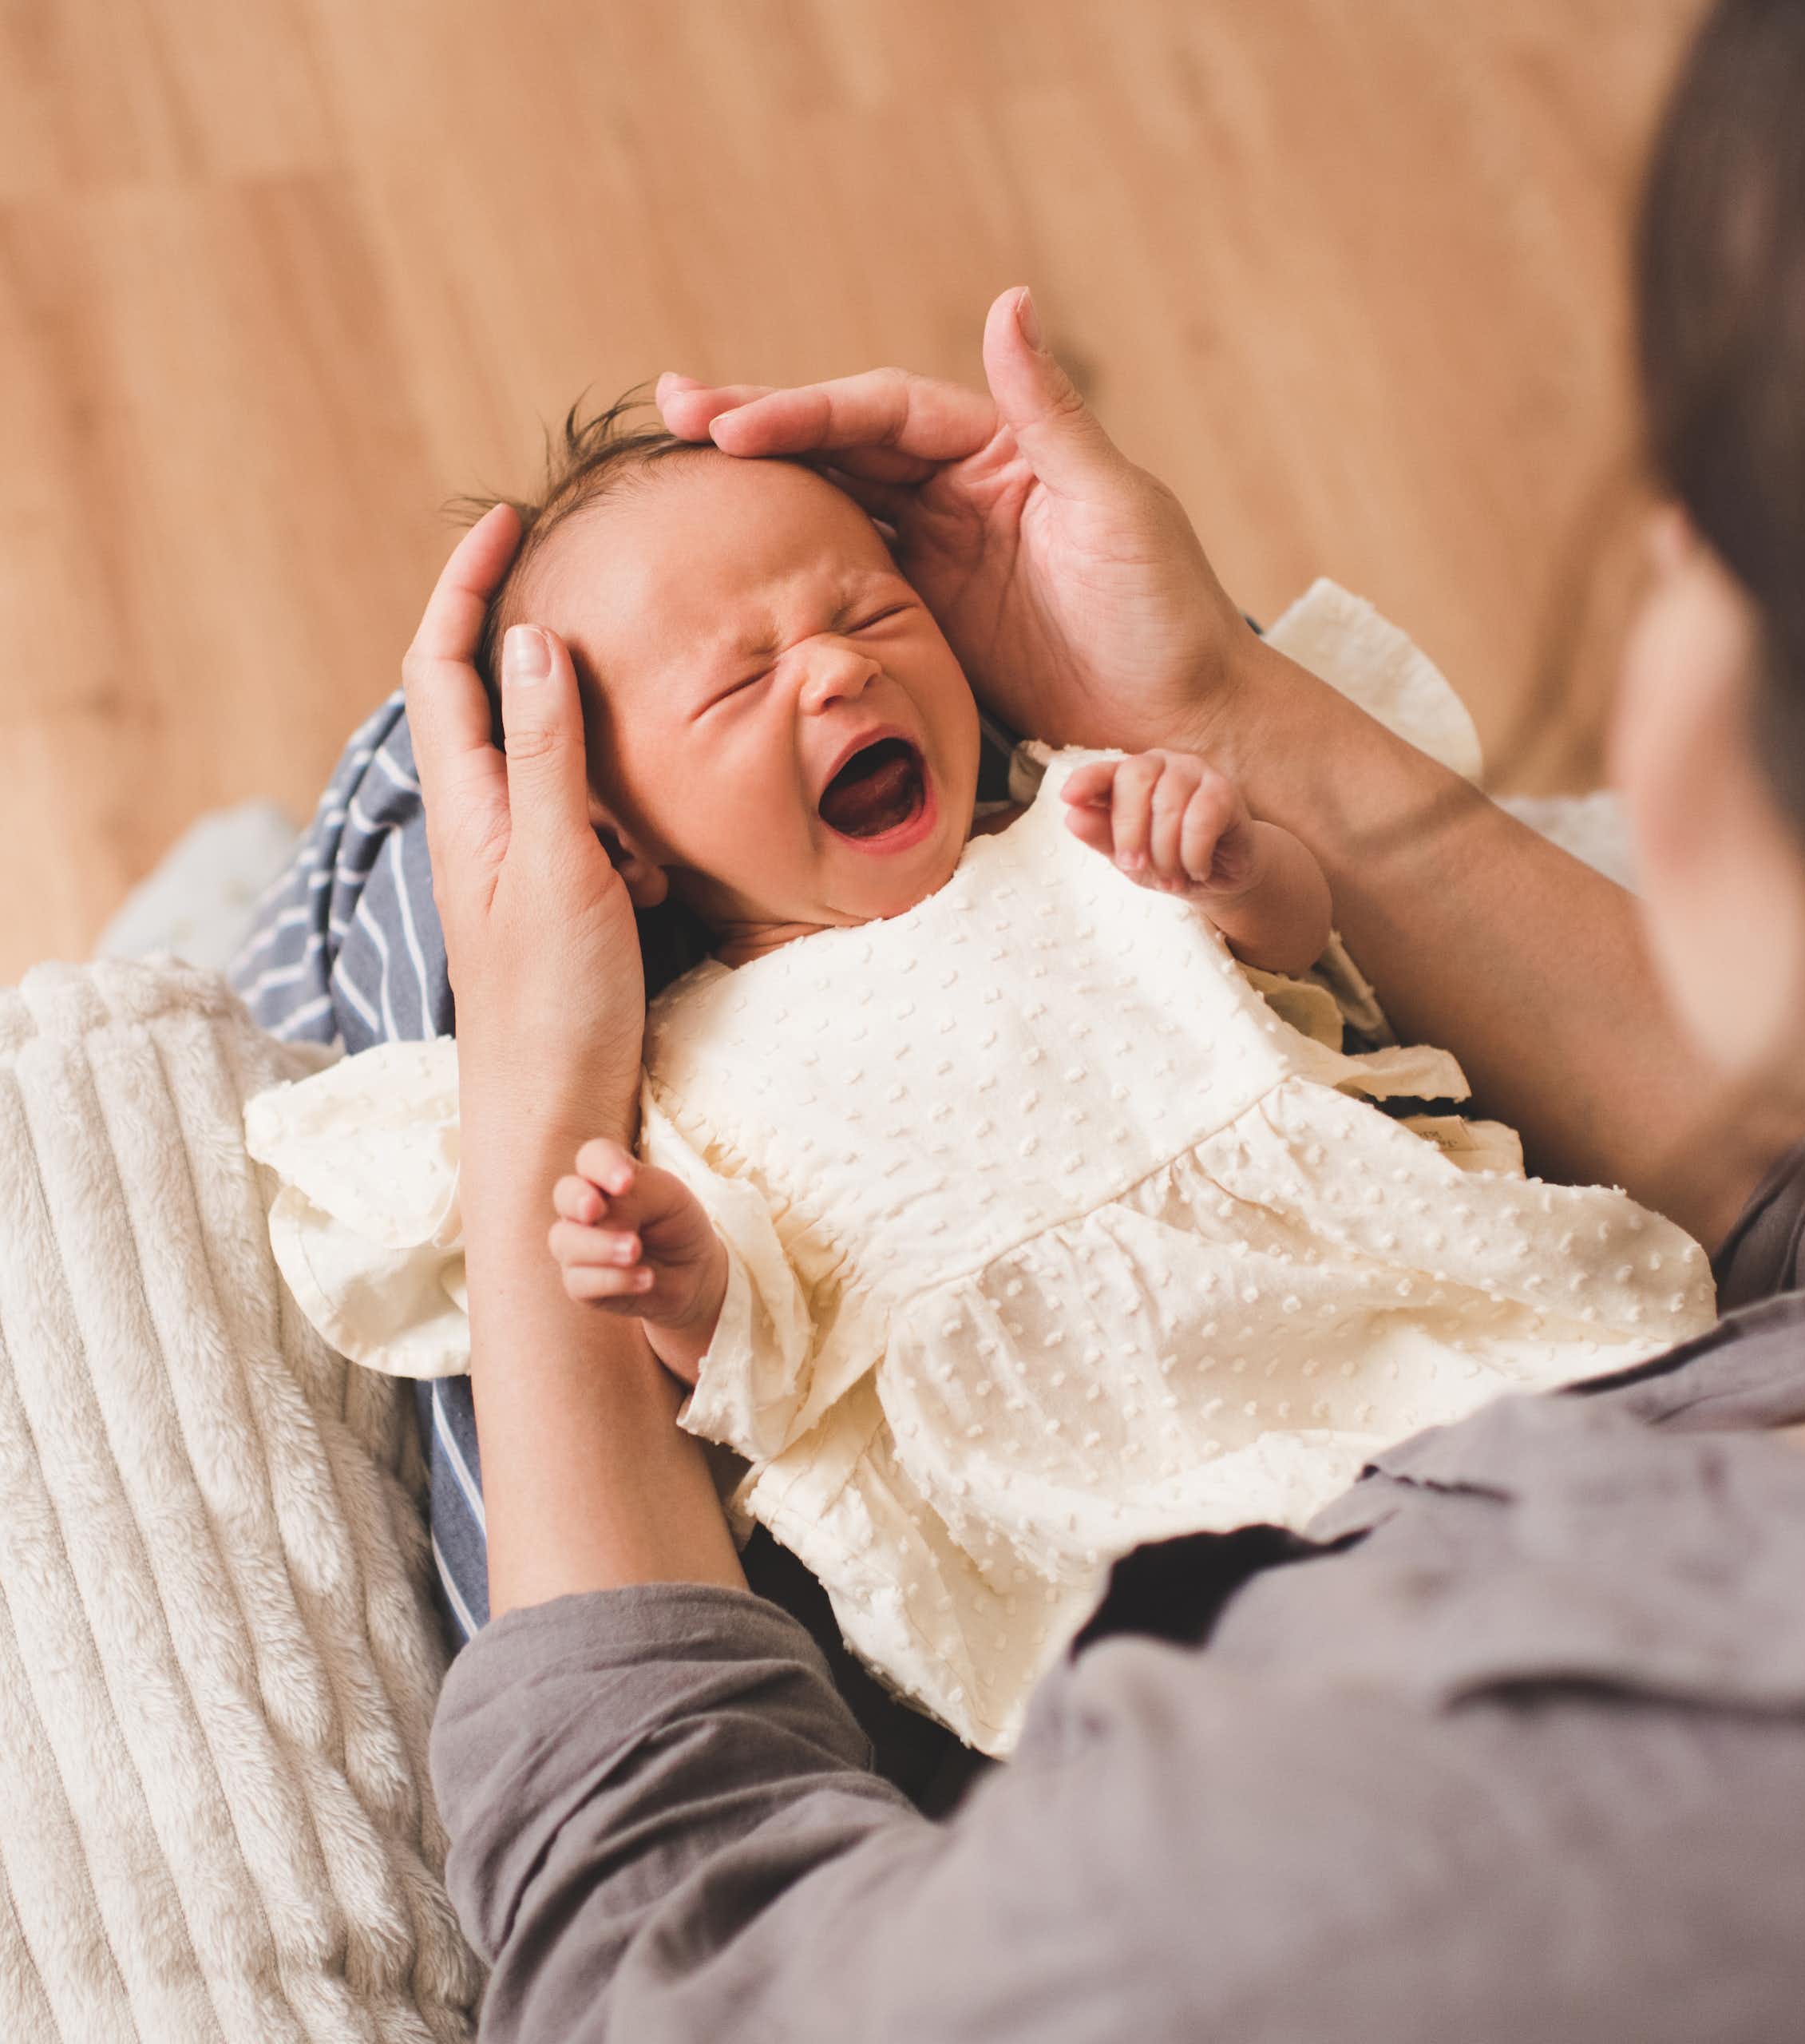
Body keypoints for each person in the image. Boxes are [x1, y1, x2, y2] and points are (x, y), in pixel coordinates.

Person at [416, 0, 1805, 2034]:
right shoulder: (708, 1060)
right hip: (1051, 1415)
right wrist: (1211, 700)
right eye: (737, 685)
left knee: (379, 823)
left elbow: (656, 1955)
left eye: (1699, 548)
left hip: (1337, 1394)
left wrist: (522, 1093)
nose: (833, 673)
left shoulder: (1321, 1859)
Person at [246, 426, 1709, 1753]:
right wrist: (682, 1278)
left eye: (872, 612)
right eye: (741, 682)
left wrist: (1232, 866)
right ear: (617, 847)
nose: (839, 672)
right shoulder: (676, 1067)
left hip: (1367, 1308)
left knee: (1590, 1478)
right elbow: (767, 1362)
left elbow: (1317, 981)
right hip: (1076, 1476)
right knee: (1239, 1697)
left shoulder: (1079, 818)